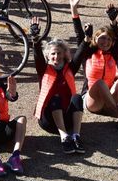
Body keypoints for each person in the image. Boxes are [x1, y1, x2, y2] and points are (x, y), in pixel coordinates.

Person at [68, 0, 118, 134]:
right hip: (92, 100)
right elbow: (79, 34)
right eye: (102, 38)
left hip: (109, 95)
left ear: (112, 43)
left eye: (109, 39)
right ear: (95, 39)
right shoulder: (88, 52)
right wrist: (74, 9)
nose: (105, 42)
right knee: (100, 83)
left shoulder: (113, 53)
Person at [31, 19, 87, 154]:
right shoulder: (43, 69)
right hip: (48, 121)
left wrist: (86, 39)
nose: (56, 56)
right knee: (55, 98)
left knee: (77, 97)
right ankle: (64, 137)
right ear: (48, 56)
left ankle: (76, 136)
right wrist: (35, 39)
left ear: (64, 54)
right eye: (53, 53)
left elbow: (79, 55)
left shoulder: (69, 68)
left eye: (59, 53)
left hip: (67, 118)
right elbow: (37, 55)